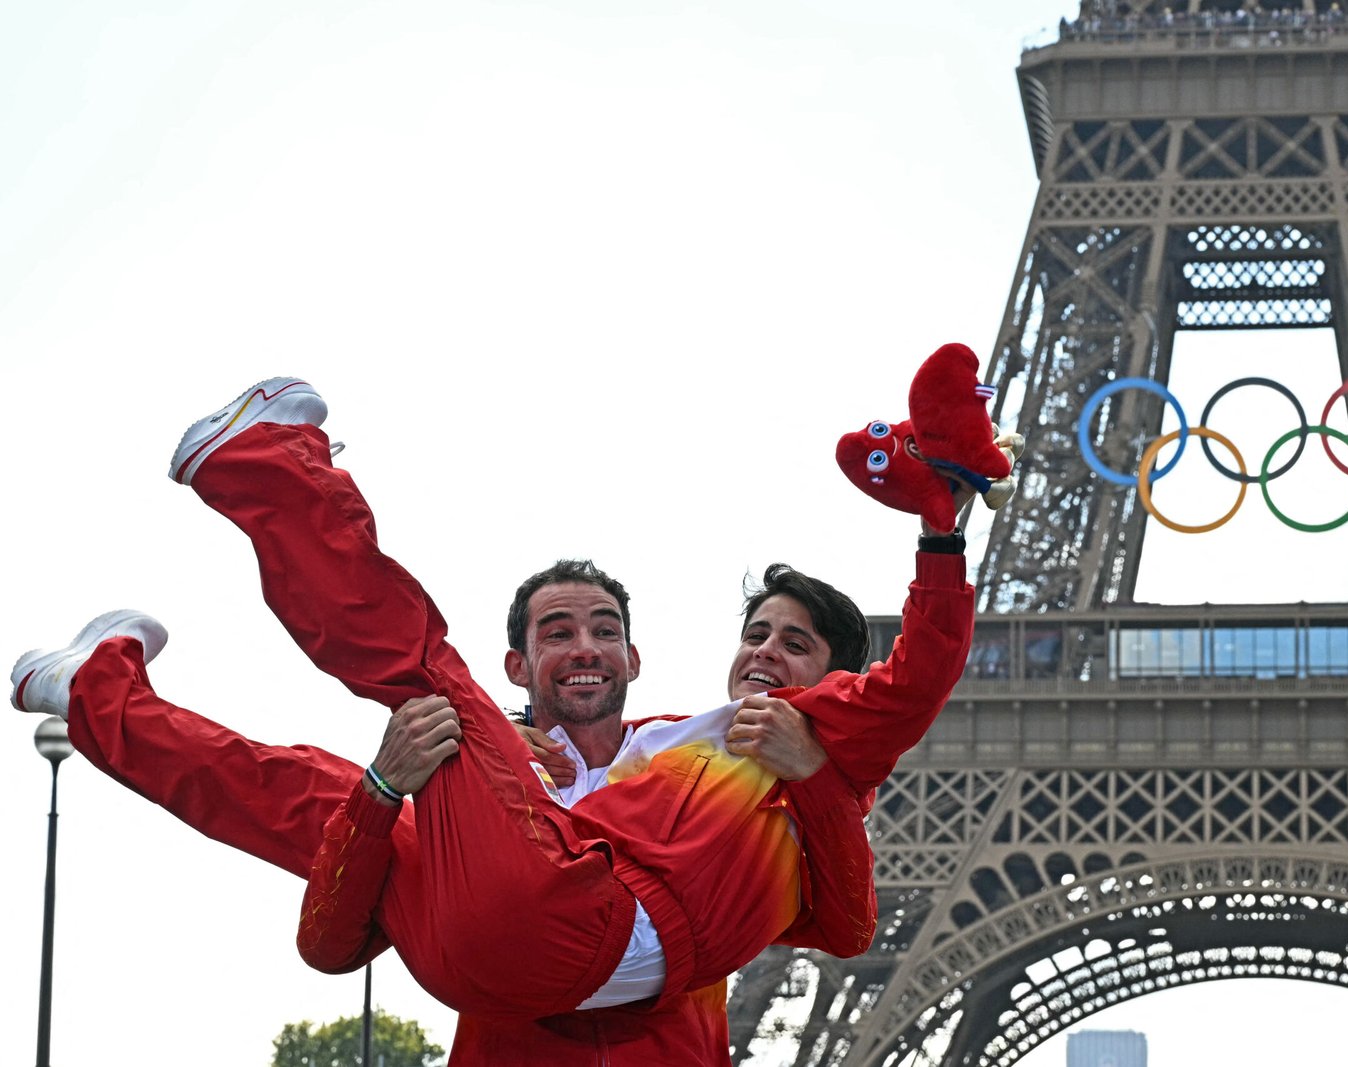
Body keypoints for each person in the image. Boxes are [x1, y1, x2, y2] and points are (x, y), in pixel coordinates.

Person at [12, 374, 977, 1054]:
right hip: (500, 937)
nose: (586, 648)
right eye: (558, 633)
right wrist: (394, 793)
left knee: (423, 677)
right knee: (309, 784)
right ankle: (93, 689)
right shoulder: (529, 761)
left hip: (576, 938)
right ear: (520, 662)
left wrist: (817, 777)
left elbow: (850, 919)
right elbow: (326, 943)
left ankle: (262, 466)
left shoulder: (756, 758)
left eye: (605, 629)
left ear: (637, 656)